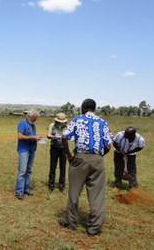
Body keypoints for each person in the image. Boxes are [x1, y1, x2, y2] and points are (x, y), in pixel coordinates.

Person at [59, 99, 113, 236]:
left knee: (74, 192)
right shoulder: (103, 122)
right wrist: (99, 157)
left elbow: (64, 137)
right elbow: (108, 146)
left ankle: (71, 222)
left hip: (80, 158)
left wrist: (69, 155)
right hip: (97, 160)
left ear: (83, 108)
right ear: (94, 109)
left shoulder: (78, 120)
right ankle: (94, 228)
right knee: (97, 195)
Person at [15, 109, 42, 200]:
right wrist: (33, 137)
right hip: (24, 150)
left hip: (31, 149)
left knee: (29, 170)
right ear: (29, 116)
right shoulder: (22, 123)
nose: (35, 120)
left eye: (36, 118)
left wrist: (37, 138)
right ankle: (19, 192)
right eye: (34, 118)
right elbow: (20, 136)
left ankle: (26, 189)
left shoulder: (33, 126)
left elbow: (32, 135)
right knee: (22, 171)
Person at [113, 127, 145, 191]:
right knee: (118, 169)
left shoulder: (139, 139)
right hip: (118, 152)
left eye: (127, 135)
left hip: (131, 154)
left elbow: (141, 147)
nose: (125, 135)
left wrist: (129, 152)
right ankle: (117, 185)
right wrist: (121, 152)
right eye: (125, 134)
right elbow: (115, 143)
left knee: (132, 170)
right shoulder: (120, 135)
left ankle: (133, 186)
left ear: (133, 135)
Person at [47, 112, 68, 192]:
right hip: (54, 147)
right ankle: (51, 186)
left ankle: (61, 186)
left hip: (63, 148)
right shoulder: (52, 125)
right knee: (53, 167)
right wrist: (54, 136)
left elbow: (68, 137)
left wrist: (64, 137)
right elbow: (48, 135)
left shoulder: (67, 127)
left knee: (62, 168)